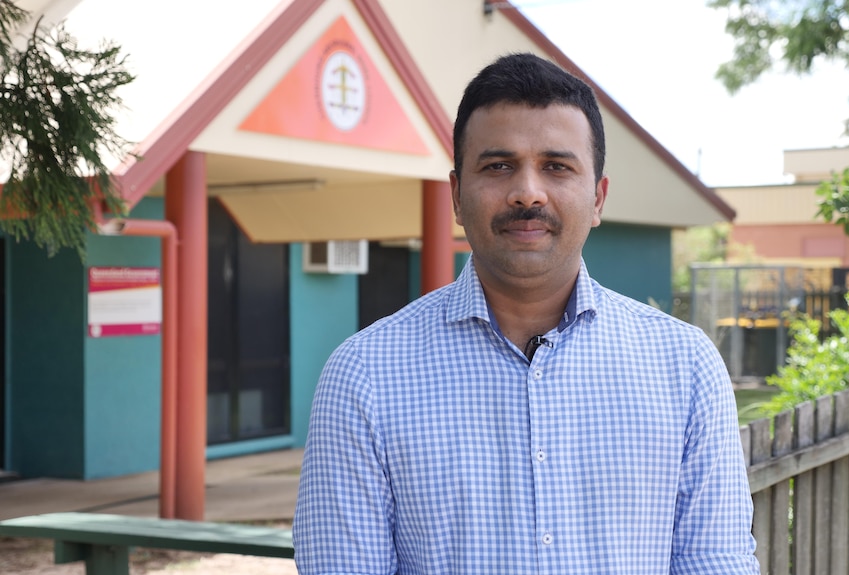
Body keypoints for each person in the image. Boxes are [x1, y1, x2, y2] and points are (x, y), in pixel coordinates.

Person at [293, 52, 759, 574]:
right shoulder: (365, 376)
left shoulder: (685, 367)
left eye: (556, 166)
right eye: (498, 166)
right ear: (456, 194)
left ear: (598, 197)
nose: (527, 193)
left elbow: (714, 563)